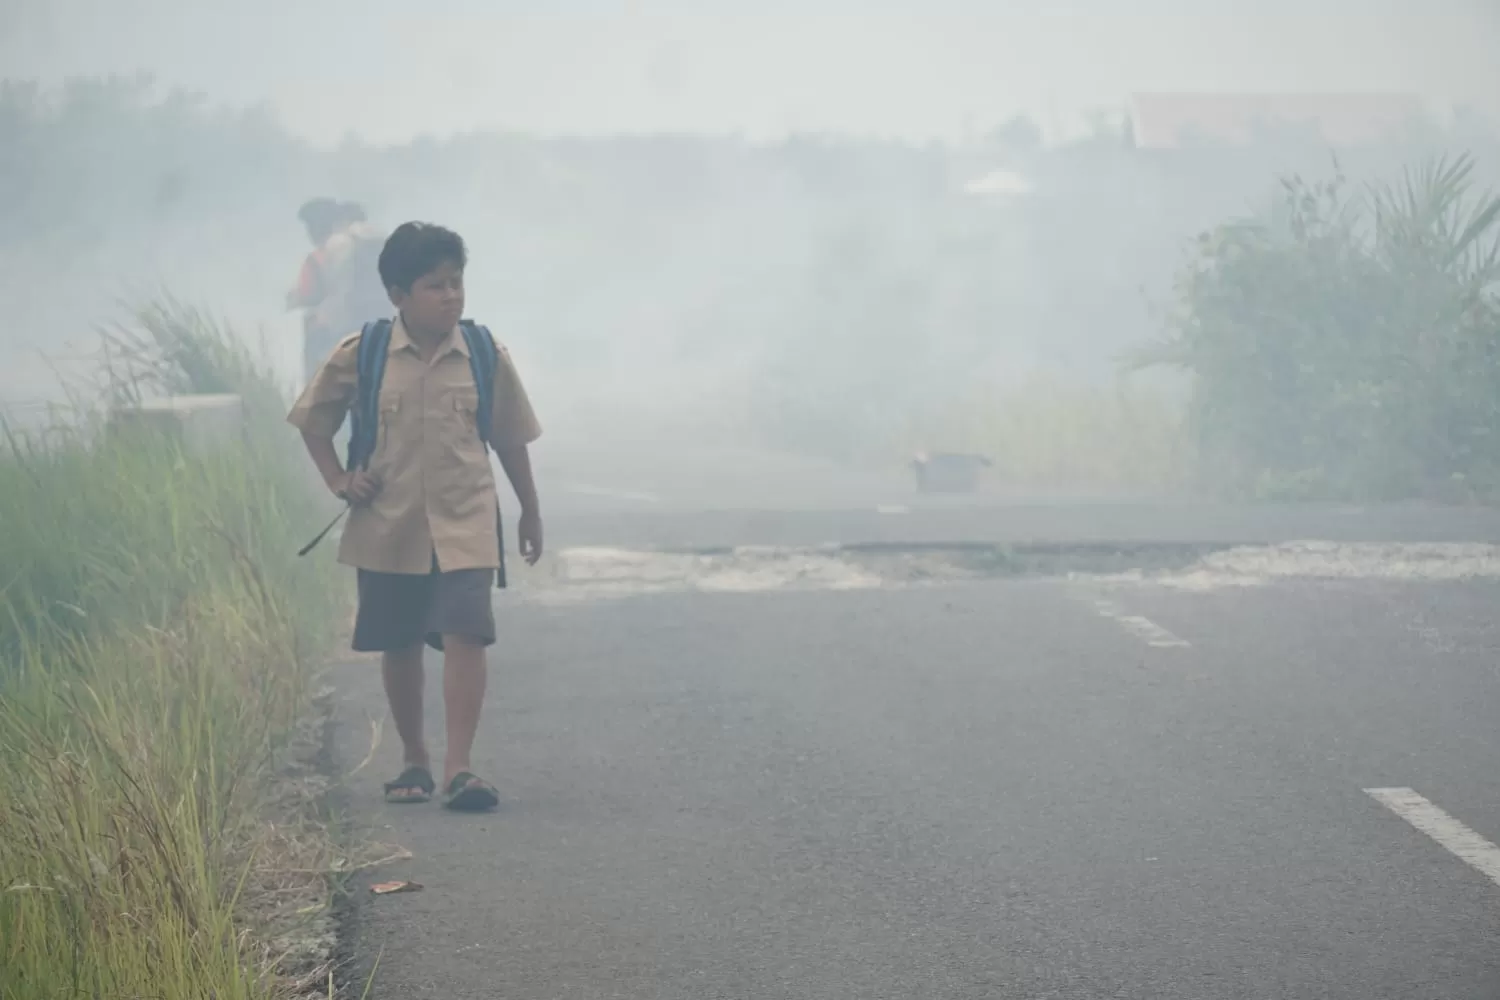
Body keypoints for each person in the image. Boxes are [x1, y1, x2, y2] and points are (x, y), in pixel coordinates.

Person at [287, 221, 544, 812]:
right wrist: (337, 480)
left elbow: (509, 439)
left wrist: (529, 509)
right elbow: (313, 422)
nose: (451, 296)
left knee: (467, 633)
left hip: (466, 519)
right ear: (398, 295)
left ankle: (460, 768)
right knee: (399, 641)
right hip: (389, 522)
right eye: (435, 286)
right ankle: (414, 759)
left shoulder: (484, 354)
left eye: (456, 283)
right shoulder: (365, 354)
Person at [288, 198, 389, 387]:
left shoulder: (326, 252)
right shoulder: (379, 241)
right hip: (385, 324)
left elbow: (310, 293)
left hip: (343, 329)